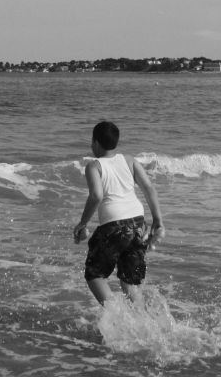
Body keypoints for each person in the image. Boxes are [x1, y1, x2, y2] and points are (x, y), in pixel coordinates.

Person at [73, 120, 164, 306]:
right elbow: (149, 188)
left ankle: (116, 315)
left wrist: (82, 224)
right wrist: (157, 220)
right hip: (138, 224)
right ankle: (141, 321)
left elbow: (96, 196)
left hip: (114, 226)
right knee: (130, 283)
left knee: (94, 274)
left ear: (96, 142)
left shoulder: (94, 166)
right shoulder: (129, 160)